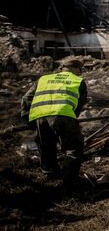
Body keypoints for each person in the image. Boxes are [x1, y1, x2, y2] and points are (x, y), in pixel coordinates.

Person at [21, 56, 87, 187]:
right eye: (80, 69)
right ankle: (69, 181)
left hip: (40, 116)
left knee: (46, 145)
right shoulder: (78, 81)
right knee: (74, 148)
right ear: (74, 69)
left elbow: (26, 98)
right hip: (63, 114)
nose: (81, 72)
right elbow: (79, 104)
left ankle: (49, 172)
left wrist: (28, 118)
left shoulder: (44, 79)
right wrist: (72, 118)